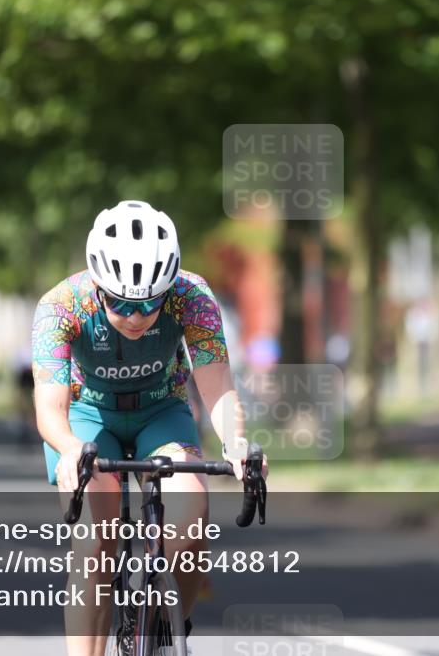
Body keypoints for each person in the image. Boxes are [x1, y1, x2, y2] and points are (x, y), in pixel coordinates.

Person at [31, 200, 267, 656]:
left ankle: (168, 628)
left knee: (192, 510)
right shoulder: (60, 306)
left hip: (162, 409)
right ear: (97, 284)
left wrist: (236, 443)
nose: (136, 316)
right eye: (120, 303)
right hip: (86, 418)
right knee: (97, 540)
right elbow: (50, 408)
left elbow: (216, 384)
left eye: (149, 303)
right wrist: (68, 447)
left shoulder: (192, 296)